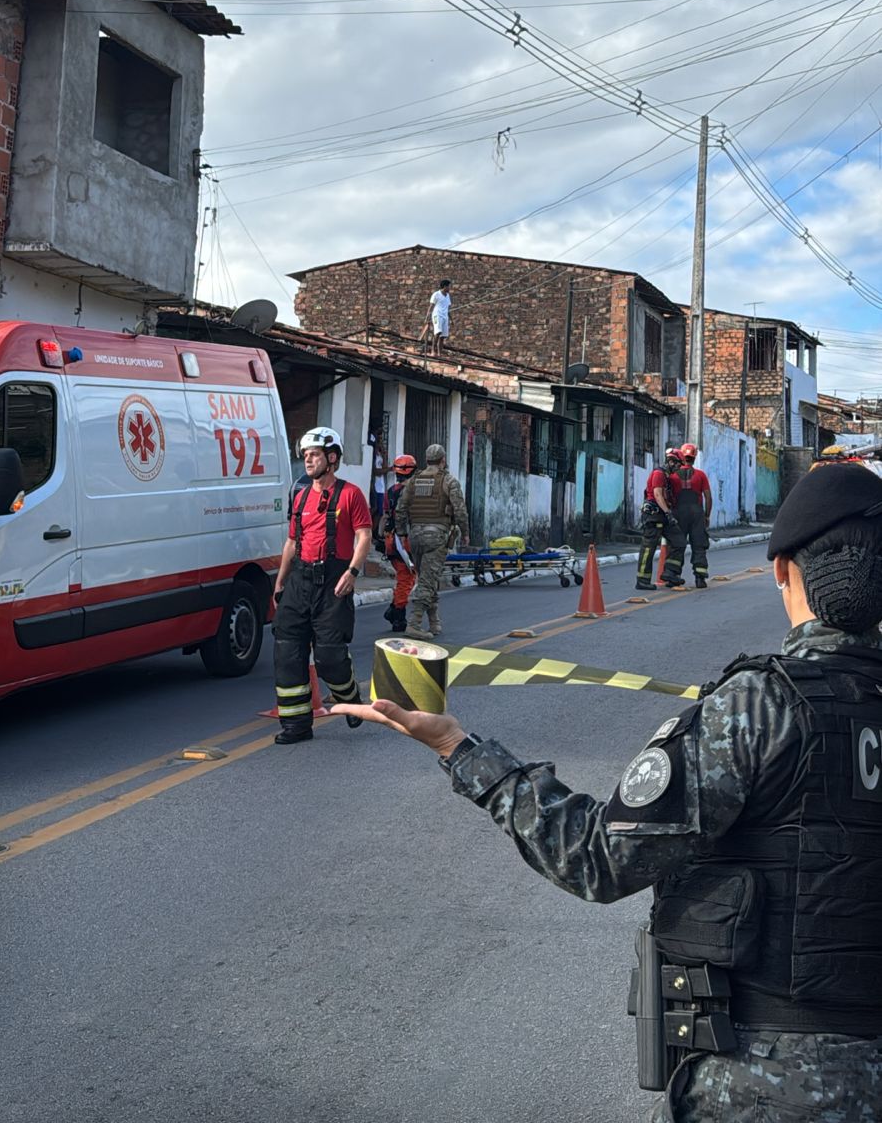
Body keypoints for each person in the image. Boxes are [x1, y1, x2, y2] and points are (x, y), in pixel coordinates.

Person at [334, 461, 882, 1120]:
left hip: (763, 1086)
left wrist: (458, 748)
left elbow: (597, 858)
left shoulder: (760, 706)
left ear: (782, 571)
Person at [271, 426, 373, 744]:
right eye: (305, 455)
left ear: (332, 458)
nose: (308, 460)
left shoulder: (351, 494)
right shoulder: (301, 496)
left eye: (314, 455)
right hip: (299, 581)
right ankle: (296, 726)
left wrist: (352, 572)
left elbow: (364, 535)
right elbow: (292, 542)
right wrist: (280, 582)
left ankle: (351, 700)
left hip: (333, 582)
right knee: (287, 651)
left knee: (329, 656)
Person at [395, 442, 469, 637]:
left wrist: (402, 533)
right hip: (436, 538)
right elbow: (460, 510)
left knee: (428, 578)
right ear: (443, 460)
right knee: (427, 582)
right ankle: (414, 624)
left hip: (415, 537)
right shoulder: (449, 481)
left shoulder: (413, 481)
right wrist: (465, 533)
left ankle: (435, 622)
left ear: (427, 460)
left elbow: (400, 509)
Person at [635, 449, 685, 591]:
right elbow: (657, 495)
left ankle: (670, 572)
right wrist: (668, 513)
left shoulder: (667, 477)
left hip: (663, 515)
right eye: (678, 464)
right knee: (648, 547)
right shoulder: (659, 474)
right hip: (654, 515)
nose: (679, 468)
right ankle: (642, 580)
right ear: (671, 461)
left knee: (679, 541)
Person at [380, 453, 418, 634]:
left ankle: (393, 610)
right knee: (406, 579)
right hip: (405, 541)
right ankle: (397, 615)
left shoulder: (390, 492)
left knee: (404, 577)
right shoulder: (414, 493)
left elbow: (385, 516)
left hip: (391, 540)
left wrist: (380, 538)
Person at [674, 442, 712, 589]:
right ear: (694, 457)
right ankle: (700, 578)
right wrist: (707, 516)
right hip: (697, 513)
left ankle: (673, 576)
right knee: (699, 545)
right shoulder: (700, 475)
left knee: (677, 544)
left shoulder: (673, 475)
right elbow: (708, 497)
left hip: (679, 513)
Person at [424, 278, 452, 358]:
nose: (449, 288)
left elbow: (447, 309)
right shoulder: (436, 294)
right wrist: (427, 317)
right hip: (437, 315)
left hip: (445, 316)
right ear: (445, 286)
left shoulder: (448, 296)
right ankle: (433, 351)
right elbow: (431, 306)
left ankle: (440, 353)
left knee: (443, 336)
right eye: (448, 286)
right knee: (438, 332)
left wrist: (451, 319)